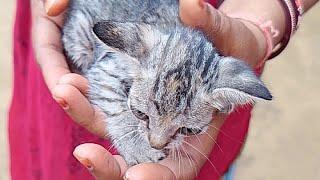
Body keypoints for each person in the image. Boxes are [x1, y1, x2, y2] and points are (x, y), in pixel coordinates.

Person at [9, 0, 318, 179]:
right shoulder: (136, 54)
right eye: (143, 112)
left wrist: (265, 21)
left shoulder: (217, 87)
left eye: (184, 127)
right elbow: (101, 67)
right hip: (106, 29)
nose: (157, 142)